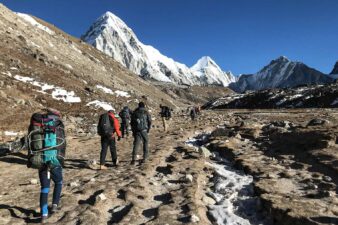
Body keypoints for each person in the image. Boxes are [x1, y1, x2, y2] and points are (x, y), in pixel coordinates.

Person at [27, 108, 66, 223]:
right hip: (54, 159)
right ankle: (54, 205)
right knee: (58, 182)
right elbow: (62, 144)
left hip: (39, 159)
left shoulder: (36, 123)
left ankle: (44, 214)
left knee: (44, 188)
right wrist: (61, 159)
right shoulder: (57, 123)